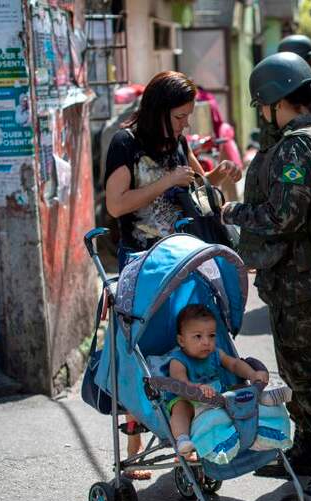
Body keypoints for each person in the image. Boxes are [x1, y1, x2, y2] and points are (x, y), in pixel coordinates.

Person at [222, 52, 311, 501]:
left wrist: (231, 212)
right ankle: (308, 452)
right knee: (299, 371)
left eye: (264, 105)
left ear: (279, 100)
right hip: (309, 277)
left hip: (304, 281)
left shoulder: (299, 146)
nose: (263, 114)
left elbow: (283, 217)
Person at [104, 70, 241, 477]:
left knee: (187, 344)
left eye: (188, 117)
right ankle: (131, 446)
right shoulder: (124, 143)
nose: (185, 125)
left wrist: (220, 177)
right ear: (159, 111)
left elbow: (196, 189)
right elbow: (115, 205)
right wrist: (165, 181)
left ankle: (193, 432)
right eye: (179, 117)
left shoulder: (177, 142)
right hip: (142, 263)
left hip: (182, 257)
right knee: (139, 347)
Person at [160, 305, 269, 457]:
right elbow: (180, 382)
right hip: (189, 399)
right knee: (180, 409)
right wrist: (196, 387)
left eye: (211, 335)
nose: (206, 342)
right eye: (198, 336)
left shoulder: (216, 354)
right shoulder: (177, 361)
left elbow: (234, 364)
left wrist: (252, 374)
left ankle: (253, 424)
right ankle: (182, 439)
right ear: (181, 340)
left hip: (218, 399)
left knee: (239, 393)